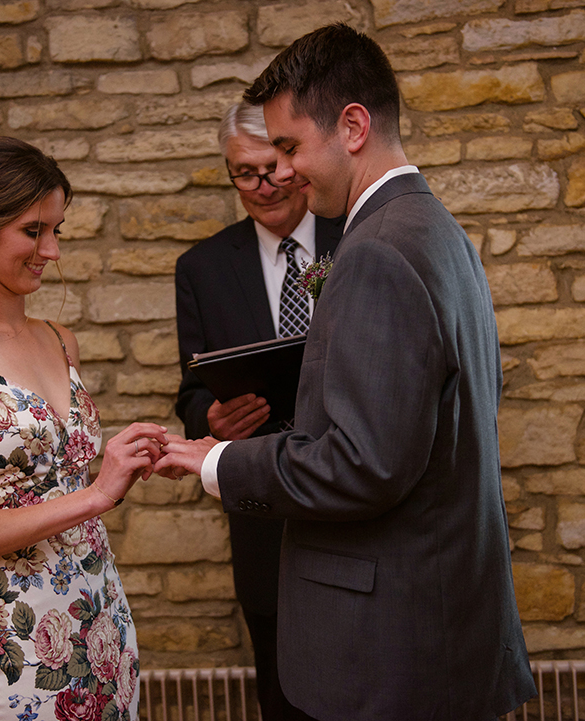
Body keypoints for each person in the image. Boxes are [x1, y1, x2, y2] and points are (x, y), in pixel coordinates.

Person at [156, 24, 537, 720]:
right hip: (441, 617)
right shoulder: (437, 230)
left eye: (293, 147)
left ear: (353, 126)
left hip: (390, 644)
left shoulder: (374, 253)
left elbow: (363, 464)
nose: (286, 172)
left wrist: (217, 462)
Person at [0, 136, 167, 721]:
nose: (52, 250)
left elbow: (55, 484)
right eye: (33, 231)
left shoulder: (57, 339)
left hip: (100, 617)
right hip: (19, 643)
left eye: (57, 230)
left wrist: (123, 460)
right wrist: (95, 496)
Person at [174, 101, 342, 721]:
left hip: (358, 502)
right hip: (263, 519)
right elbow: (190, 391)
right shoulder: (202, 269)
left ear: (295, 161)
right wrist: (209, 421)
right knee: (283, 694)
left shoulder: (357, 238)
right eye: (245, 173)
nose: (263, 185)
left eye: (272, 166)